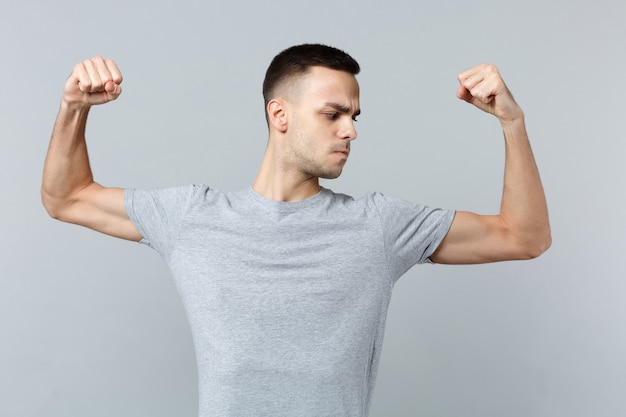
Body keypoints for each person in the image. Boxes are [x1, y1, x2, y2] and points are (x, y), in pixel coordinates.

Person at [42, 44, 551, 416]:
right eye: (333, 114)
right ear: (279, 114)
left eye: (354, 116)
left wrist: (513, 123)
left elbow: (523, 236)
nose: (351, 130)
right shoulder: (191, 218)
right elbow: (66, 197)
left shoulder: (377, 227)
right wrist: (73, 109)